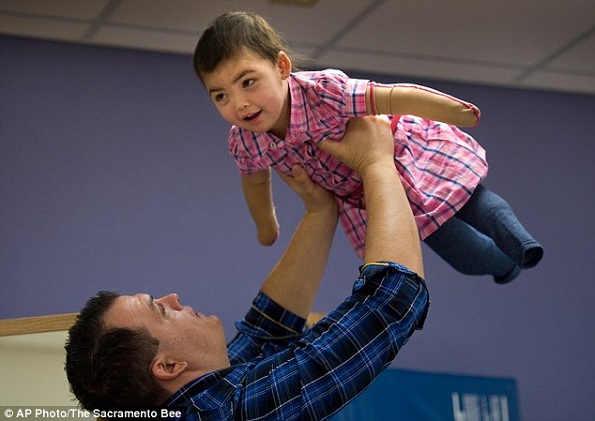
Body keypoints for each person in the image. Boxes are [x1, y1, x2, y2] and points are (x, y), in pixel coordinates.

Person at [65, 116, 429, 420]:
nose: (173, 297)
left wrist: (320, 211)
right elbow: (391, 300)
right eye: (159, 309)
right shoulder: (228, 415)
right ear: (169, 366)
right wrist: (377, 161)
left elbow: (265, 335)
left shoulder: (194, 401)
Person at [193, 11, 543, 284]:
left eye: (248, 82)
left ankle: (521, 242)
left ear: (282, 67)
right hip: (369, 194)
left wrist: (453, 110)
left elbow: (390, 97)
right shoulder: (245, 140)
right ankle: (505, 266)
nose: (239, 104)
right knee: (462, 255)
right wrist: (265, 224)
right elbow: (254, 183)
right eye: (221, 96)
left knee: (471, 201)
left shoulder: (322, 91)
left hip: (404, 156)